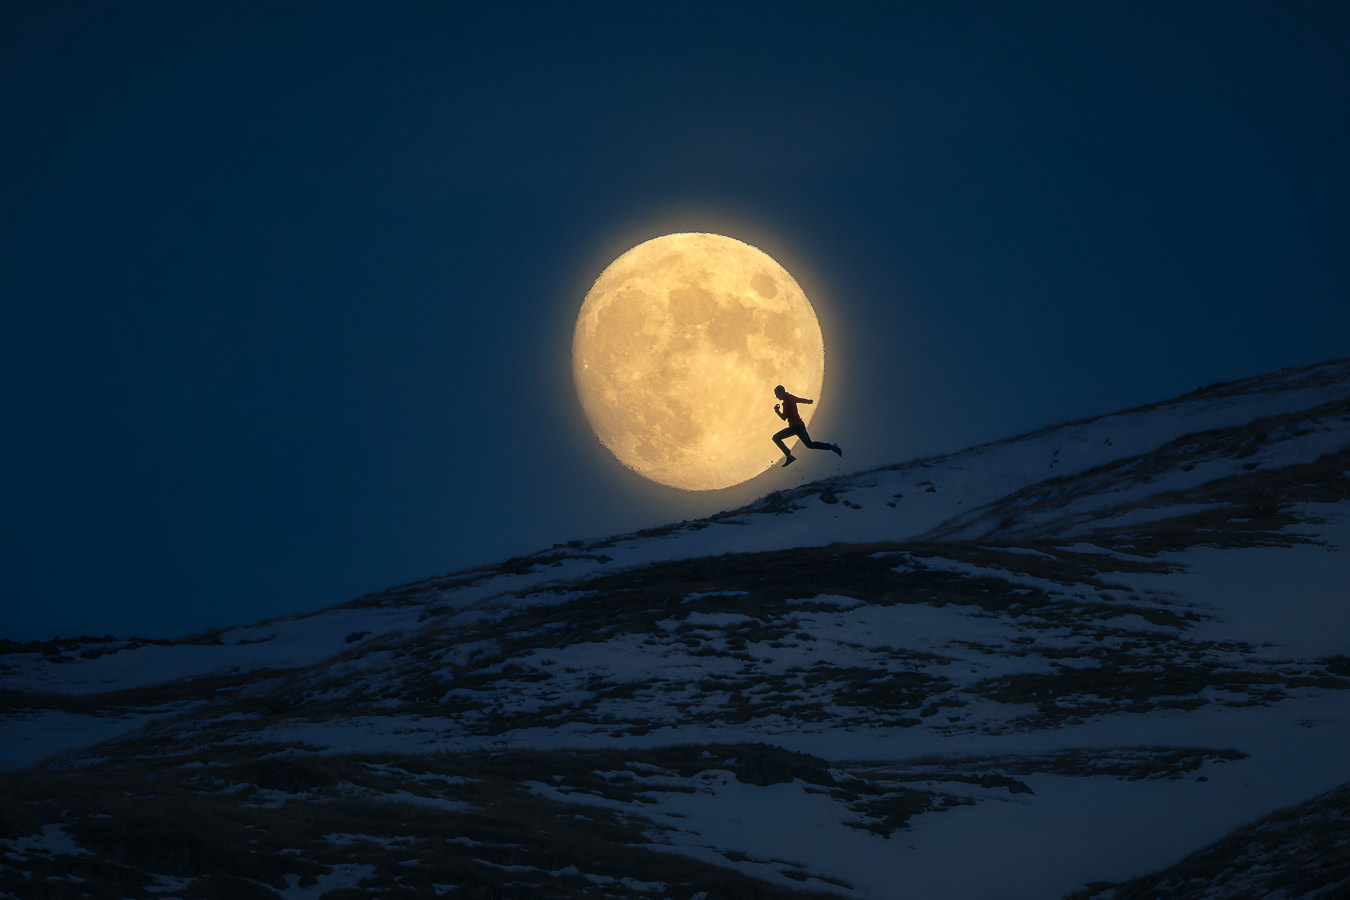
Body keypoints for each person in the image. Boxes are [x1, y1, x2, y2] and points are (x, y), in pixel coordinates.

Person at [772, 385, 842, 467]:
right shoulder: (789, 397)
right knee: (808, 444)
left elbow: (784, 417)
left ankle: (831, 447)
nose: (776, 396)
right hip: (796, 427)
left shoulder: (787, 402)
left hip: (797, 427)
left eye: (777, 394)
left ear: (781, 393)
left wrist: (777, 411)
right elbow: (799, 400)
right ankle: (789, 456)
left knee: (777, 438)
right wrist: (808, 401)